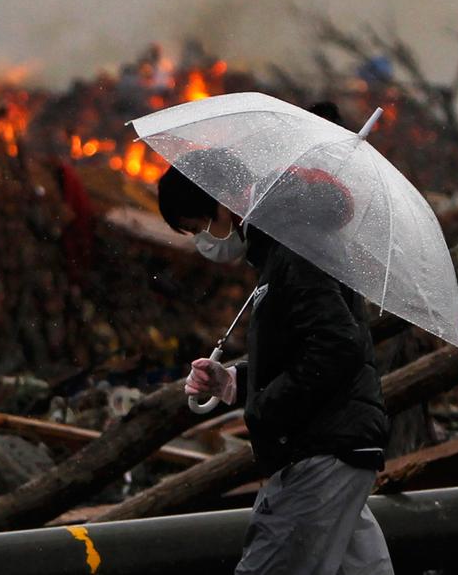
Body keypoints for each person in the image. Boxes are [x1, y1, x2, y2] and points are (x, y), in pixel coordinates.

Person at [156, 103, 394, 574]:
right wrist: (235, 383)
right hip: (336, 450)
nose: (204, 242)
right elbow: (310, 348)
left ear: (221, 202)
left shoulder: (294, 247)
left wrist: (264, 408)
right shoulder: (285, 246)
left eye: (200, 227)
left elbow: (336, 347)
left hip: (318, 454)